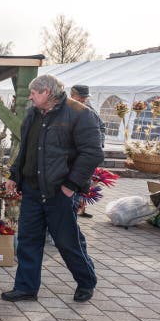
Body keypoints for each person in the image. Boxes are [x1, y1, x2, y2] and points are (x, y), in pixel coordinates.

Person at [2, 75, 104, 303]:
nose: (30, 97)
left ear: (47, 92)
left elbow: (93, 154)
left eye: (34, 93)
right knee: (28, 241)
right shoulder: (32, 115)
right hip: (32, 190)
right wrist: (14, 176)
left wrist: (71, 186)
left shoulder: (80, 114)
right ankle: (26, 288)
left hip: (60, 192)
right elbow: (26, 149)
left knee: (67, 242)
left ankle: (86, 281)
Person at [69, 84, 106, 219]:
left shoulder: (90, 112)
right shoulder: (64, 110)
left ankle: (78, 211)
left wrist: (98, 144)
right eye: (80, 98)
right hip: (68, 158)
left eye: (85, 98)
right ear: (72, 96)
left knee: (79, 187)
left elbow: (101, 127)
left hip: (83, 157)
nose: (83, 101)